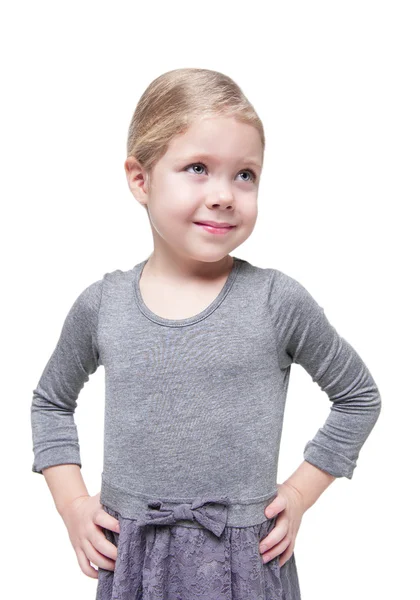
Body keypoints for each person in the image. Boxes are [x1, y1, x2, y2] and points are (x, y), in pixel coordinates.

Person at [30, 67, 382, 600]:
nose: (224, 194)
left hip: (246, 561)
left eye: (245, 175)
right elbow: (50, 402)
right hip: (136, 558)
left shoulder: (276, 301)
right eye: (198, 168)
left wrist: (301, 492)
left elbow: (358, 397)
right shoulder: (103, 305)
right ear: (140, 178)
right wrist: (74, 505)